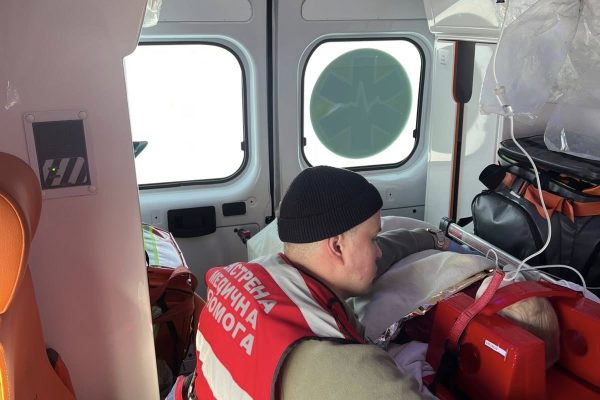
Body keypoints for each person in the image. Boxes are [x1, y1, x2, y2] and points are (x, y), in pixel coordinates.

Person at [170, 166, 448, 400]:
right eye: (373, 239)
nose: (377, 252)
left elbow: (379, 254)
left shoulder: (255, 272)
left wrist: (430, 238)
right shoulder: (347, 373)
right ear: (337, 247)